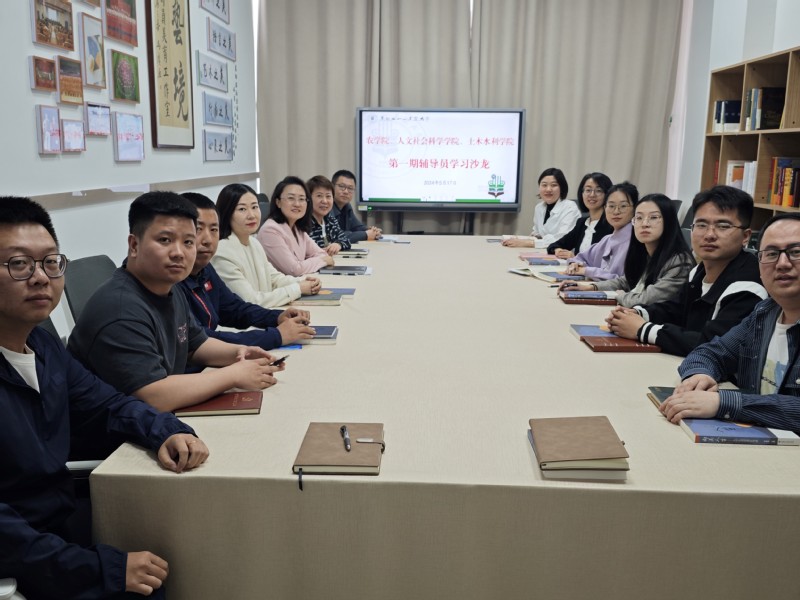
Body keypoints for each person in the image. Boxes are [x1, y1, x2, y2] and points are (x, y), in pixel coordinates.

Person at [0, 196, 209, 599]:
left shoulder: (43, 347)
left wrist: (166, 430)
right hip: (25, 562)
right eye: (19, 264)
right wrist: (98, 568)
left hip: (58, 529)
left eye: (50, 262)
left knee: (187, 545)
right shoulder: (117, 305)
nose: (40, 277)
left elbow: (109, 405)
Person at [68, 191, 283, 414]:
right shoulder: (120, 309)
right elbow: (153, 396)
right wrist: (233, 375)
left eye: (188, 242)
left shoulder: (170, 288)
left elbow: (195, 344)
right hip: (112, 432)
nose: (179, 253)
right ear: (134, 245)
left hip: (157, 420)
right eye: (165, 240)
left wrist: (239, 353)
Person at [661, 213, 800, 433]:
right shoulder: (764, 314)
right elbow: (710, 352)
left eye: (796, 252)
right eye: (772, 254)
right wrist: (700, 375)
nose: (782, 264)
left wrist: (723, 403)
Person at [606, 185, 767, 356]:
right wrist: (638, 313)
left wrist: (643, 329)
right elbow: (675, 309)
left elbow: (715, 344)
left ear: (745, 236)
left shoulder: (749, 287)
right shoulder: (699, 271)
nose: (709, 234)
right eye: (701, 225)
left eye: (722, 226)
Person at [178, 192, 315, 353]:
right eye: (198, 229)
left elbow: (234, 308)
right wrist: (276, 336)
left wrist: (276, 317)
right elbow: (202, 340)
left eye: (214, 229)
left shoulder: (205, 268)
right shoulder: (173, 281)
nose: (207, 239)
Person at [561, 193, 694, 307]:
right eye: (639, 218)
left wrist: (620, 296)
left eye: (653, 218)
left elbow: (647, 300)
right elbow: (626, 281)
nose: (645, 224)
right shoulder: (645, 253)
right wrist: (590, 287)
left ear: (669, 222)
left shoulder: (680, 262)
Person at [211, 183, 322, 308]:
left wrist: (302, 281)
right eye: (242, 209)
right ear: (227, 213)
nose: (252, 215)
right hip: (246, 319)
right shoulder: (223, 252)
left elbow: (273, 278)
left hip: (264, 314)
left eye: (254, 207)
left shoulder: (253, 242)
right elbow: (251, 300)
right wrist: (298, 289)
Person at [256, 176, 334, 276]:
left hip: (299, 282)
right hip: (278, 285)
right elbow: (294, 270)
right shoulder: (270, 230)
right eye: (291, 198)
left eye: (301, 199)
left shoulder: (297, 228)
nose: (297, 204)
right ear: (278, 202)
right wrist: (322, 261)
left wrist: (305, 264)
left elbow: (322, 253)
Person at [563, 181, 638, 280]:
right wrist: (575, 264)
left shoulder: (637, 241)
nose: (616, 211)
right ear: (605, 208)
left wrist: (587, 271)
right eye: (611, 206)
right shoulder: (607, 240)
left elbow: (624, 282)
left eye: (623, 206)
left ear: (635, 209)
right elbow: (581, 258)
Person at [502, 167, 580, 248]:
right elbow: (537, 233)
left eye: (554, 185)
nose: (548, 189)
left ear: (562, 188)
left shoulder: (570, 208)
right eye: (544, 185)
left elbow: (562, 239)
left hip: (563, 253)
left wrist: (528, 243)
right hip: (542, 251)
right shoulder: (539, 207)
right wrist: (525, 239)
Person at [547, 172, 614, 258]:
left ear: (608, 194)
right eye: (588, 190)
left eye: (598, 190)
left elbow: (607, 261)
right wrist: (558, 250)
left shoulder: (611, 225)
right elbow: (554, 245)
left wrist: (575, 257)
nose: (592, 195)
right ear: (581, 193)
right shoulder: (582, 223)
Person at [331, 169, 381, 242]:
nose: (346, 191)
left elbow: (357, 227)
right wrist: (366, 234)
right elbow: (336, 236)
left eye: (350, 188)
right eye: (342, 186)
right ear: (332, 187)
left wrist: (371, 231)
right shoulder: (326, 207)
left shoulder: (347, 206)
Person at [306, 175, 352, 255]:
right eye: (319, 196)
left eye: (328, 196)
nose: (324, 201)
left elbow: (346, 240)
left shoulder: (330, 220)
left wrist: (338, 244)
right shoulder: (304, 223)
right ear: (308, 199)